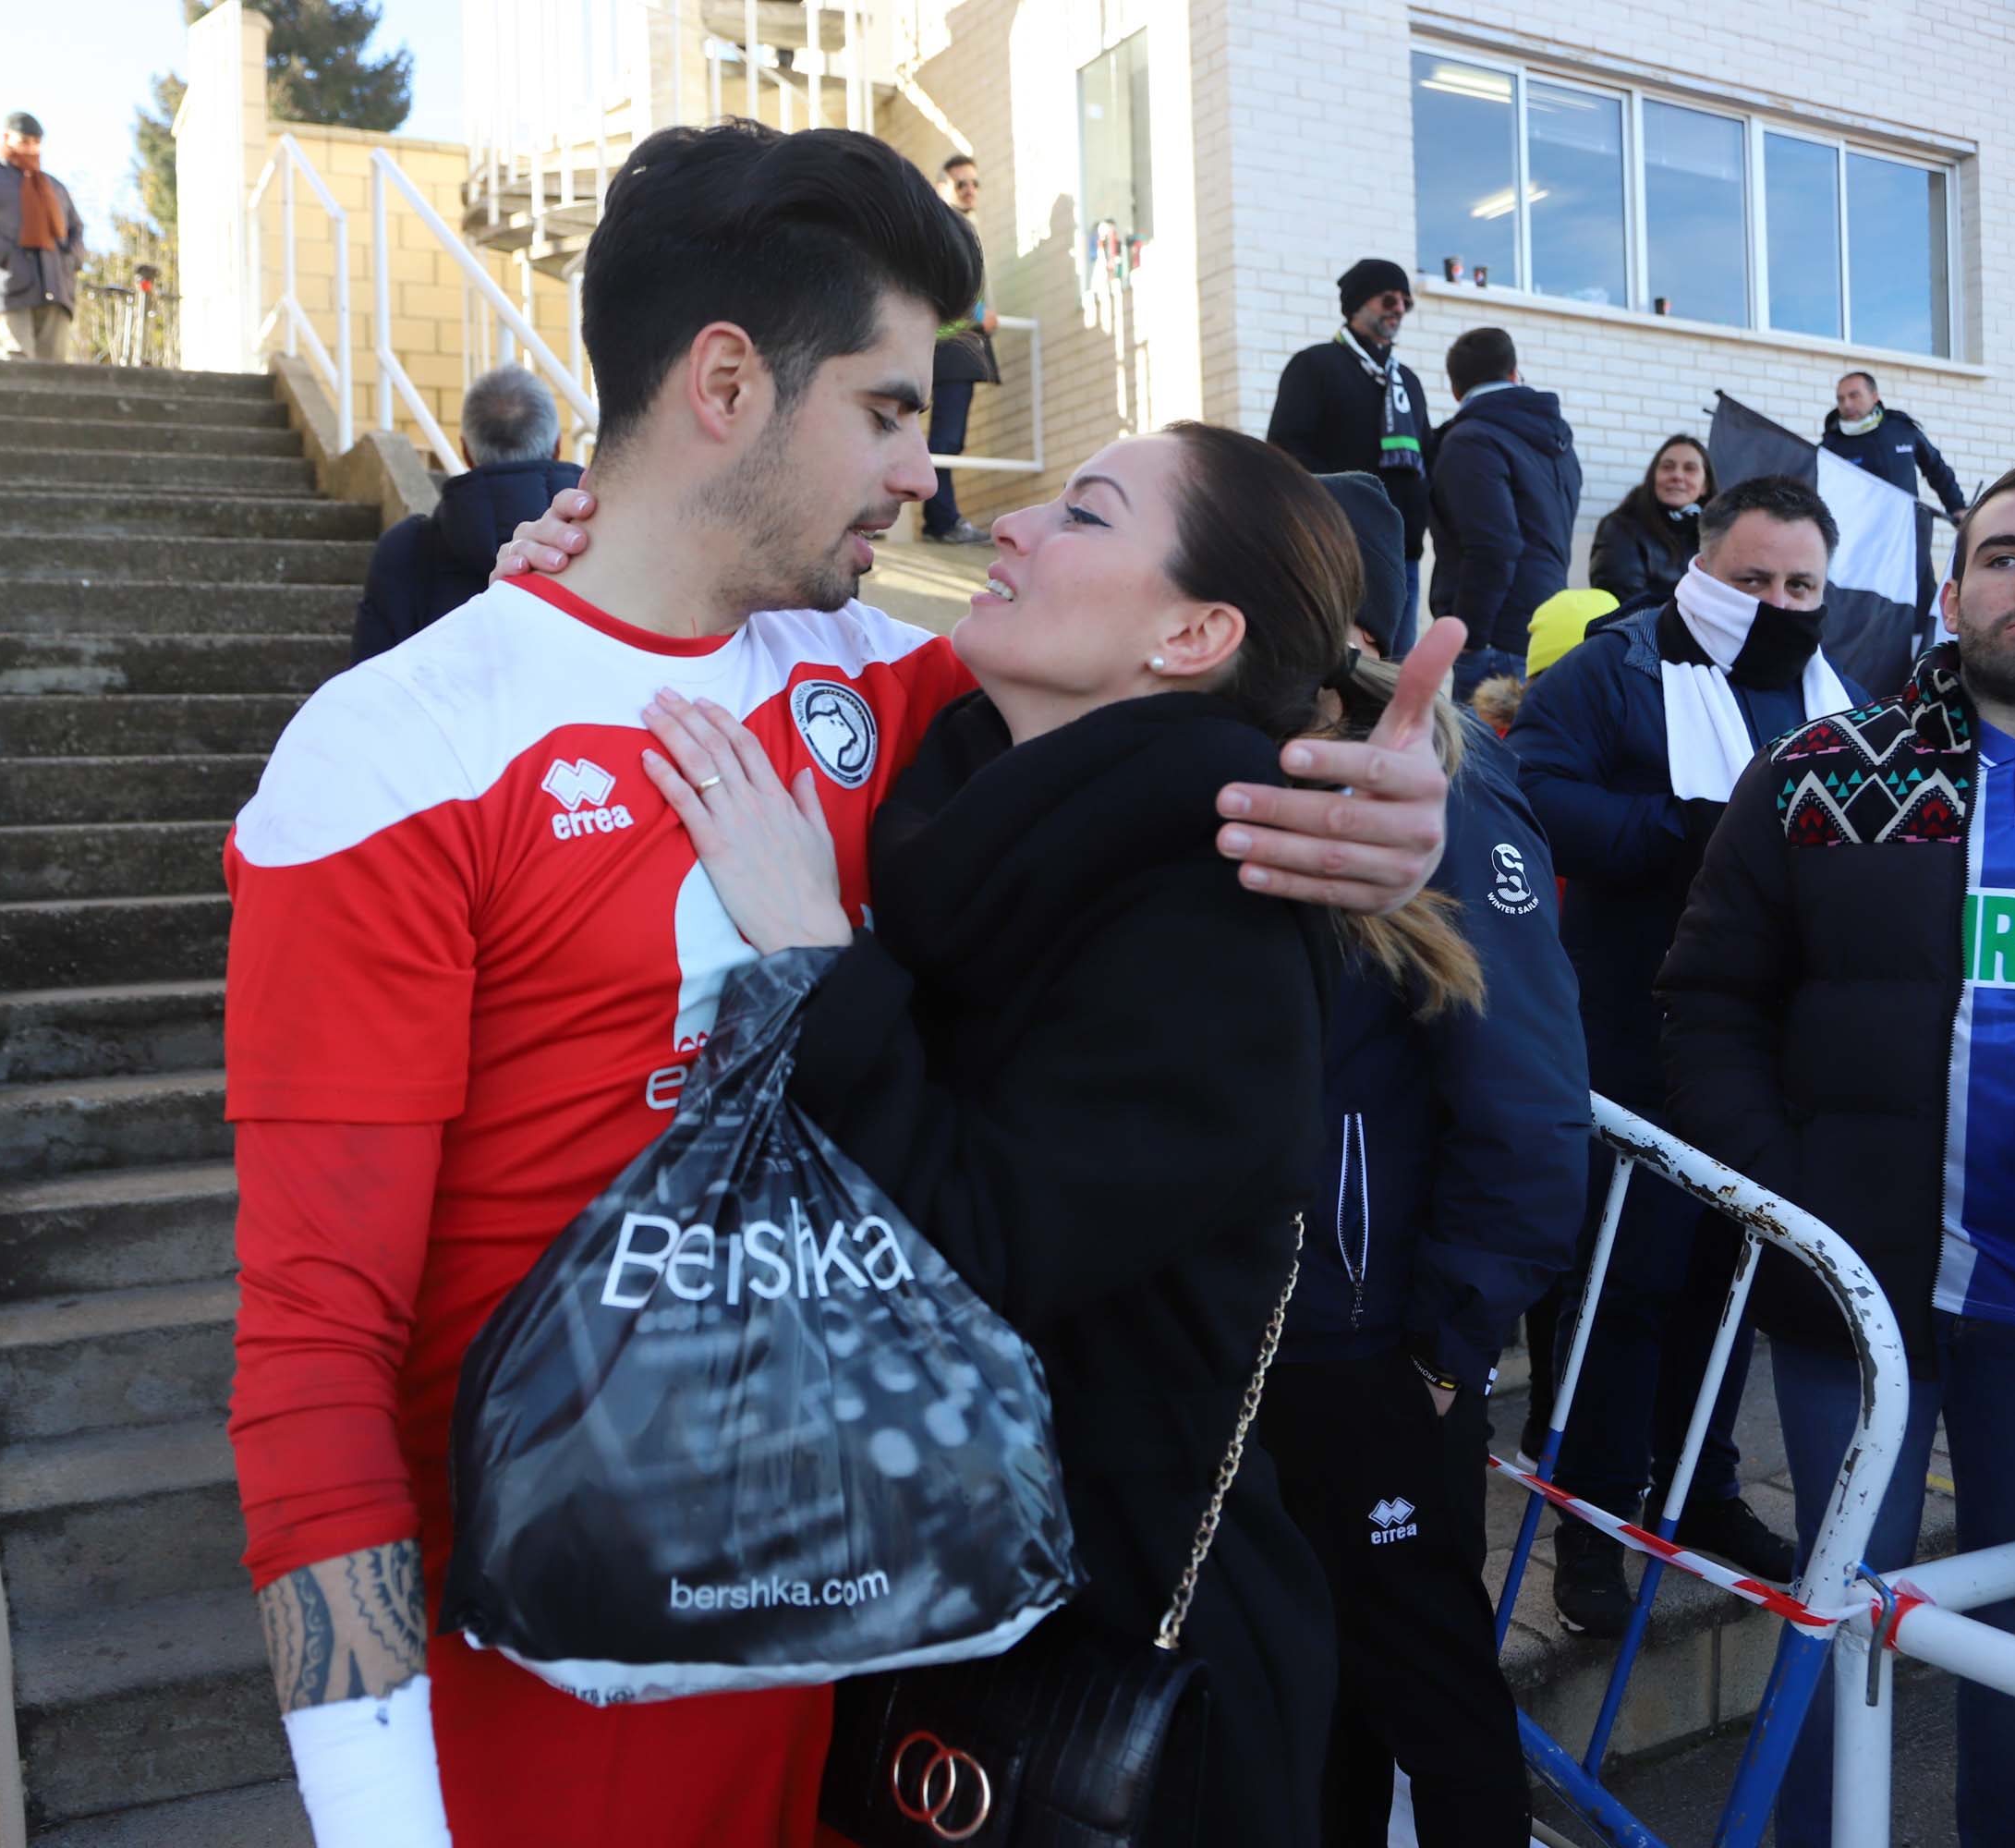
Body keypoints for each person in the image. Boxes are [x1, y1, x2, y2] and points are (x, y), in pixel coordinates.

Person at [221, 119, 1461, 1848]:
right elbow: (310, 1342)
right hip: (555, 1695)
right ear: (728, 383)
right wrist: (372, 1805)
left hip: (888, 1684)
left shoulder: (892, 686)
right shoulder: (397, 749)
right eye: (890, 409)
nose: (930, 476)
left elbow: (1180, 716)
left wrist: (1396, 821)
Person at [641, 422, 1399, 1844]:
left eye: (1087, 515)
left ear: (1191, 636)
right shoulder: (986, 812)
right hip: (958, 1606)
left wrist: (819, 954)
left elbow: (975, 1255)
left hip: (1119, 1693)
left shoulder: (1209, 912)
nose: (1011, 521)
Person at [1657, 451, 2015, 1848]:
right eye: (2004, 553)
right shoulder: (1815, 773)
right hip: (1861, 1296)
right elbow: (1706, 1003)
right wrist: (1788, 1206)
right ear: (1949, 588)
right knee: (1827, 1620)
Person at [1260, 471, 1587, 1848]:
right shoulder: (1260, 764)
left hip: (1374, 1342)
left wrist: (1447, 1344)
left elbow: (1527, 1108)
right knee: (1306, 1686)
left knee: (1428, 1689)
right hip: (1264, 1345)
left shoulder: (1447, 791)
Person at [1507, 476, 1863, 1635]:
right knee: (1622, 1290)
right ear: (1701, 566)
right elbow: (1536, 794)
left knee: (1726, 1283)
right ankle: (1592, 1528)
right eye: (1753, 578)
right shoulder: (1612, 667)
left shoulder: (1834, 688)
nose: (1776, 601)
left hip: (1767, 1051)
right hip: (1630, 1035)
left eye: (1800, 584)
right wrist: (1690, 830)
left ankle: (1702, 1488)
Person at [351, 366, 584, 663]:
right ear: (557, 447)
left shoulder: (405, 552)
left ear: (465, 449)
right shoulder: (606, 543)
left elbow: (370, 682)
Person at [1268, 259, 1434, 651]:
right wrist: (1343, 508)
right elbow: (1286, 449)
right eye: (1388, 299)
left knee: (1391, 674)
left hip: (1402, 556)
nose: (1399, 309)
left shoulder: (1406, 381)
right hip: (1341, 548)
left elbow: (1427, 457)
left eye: (1406, 303)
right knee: (1339, 669)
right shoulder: (1314, 366)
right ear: (1357, 304)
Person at [1427, 327, 1582, 699]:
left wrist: (1469, 634)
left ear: (1455, 390)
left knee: (1482, 758)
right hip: (1546, 628)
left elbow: (1494, 546)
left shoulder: (1471, 440)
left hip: (1495, 638)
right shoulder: (1556, 443)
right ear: (1514, 374)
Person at [0, 111, 83, 363]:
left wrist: (71, 261)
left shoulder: (54, 187)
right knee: (15, 362)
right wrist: (2, 254)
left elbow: (76, 229)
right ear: (7, 138)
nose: (30, 148)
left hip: (56, 288)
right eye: (24, 141)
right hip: (11, 286)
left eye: (35, 143)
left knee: (54, 371)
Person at [923, 152, 999, 545]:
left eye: (974, 183)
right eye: (960, 183)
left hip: (956, 345)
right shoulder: (945, 229)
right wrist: (978, 316)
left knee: (949, 439)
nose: (970, 190)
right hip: (950, 344)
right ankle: (942, 520)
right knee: (946, 440)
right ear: (943, 188)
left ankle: (942, 518)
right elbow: (945, 285)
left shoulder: (959, 227)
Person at [1590, 435, 1716, 610]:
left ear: (1705, 485)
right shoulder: (1621, 527)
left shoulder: (1715, 535)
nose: (1678, 475)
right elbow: (1624, 605)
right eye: (1667, 467)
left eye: (1690, 469)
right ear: (1653, 477)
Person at [1821, 371, 1967, 519]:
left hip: (1904, 530)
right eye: (1840, 399)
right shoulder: (1831, 444)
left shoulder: (1902, 429)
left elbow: (1936, 469)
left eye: (1854, 396)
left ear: (1874, 396)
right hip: (1858, 533)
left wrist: (1957, 507)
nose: (1847, 404)